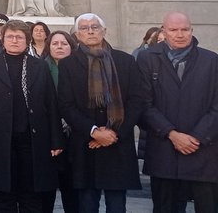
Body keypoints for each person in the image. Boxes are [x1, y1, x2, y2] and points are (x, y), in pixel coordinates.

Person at [57, 13, 149, 213]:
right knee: (87, 204)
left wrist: (114, 133)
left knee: (117, 205)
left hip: (118, 145)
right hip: (85, 145)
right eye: (84, 28)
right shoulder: (68, 64)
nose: (90, 31)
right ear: (77, 35)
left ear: (104, 31)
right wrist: (93, 131)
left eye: (94, 27)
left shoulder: (125, 61)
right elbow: (66, 104)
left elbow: (136, 100)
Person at [0, 20, 63, 213]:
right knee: (3, 192)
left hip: (32, 139)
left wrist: (56, 140)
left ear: (27, 40)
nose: (14, 41)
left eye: (19, 37)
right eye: (10, 37)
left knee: (31, 193)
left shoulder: (39, 66)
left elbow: (51, 105)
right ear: (3, 40)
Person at [138, 11, 218, 213]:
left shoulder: (211, 60)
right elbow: (143, 104)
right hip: (164, 150)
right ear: (163, 31)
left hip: (203, 151)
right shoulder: (147, 59)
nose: (180, 34)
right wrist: (172, 134)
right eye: (173, 30)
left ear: (192, 31)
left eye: (185, 29)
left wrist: (197, 137)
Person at [44, 30, 79, 213]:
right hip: (47, 136)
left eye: (64, 43)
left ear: (71, 46)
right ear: (48, 47)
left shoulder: (80, 68)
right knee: (47, 188)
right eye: (55, 43)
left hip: (75, 135)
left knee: (72, 188)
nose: (59, 47)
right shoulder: (40, 69)